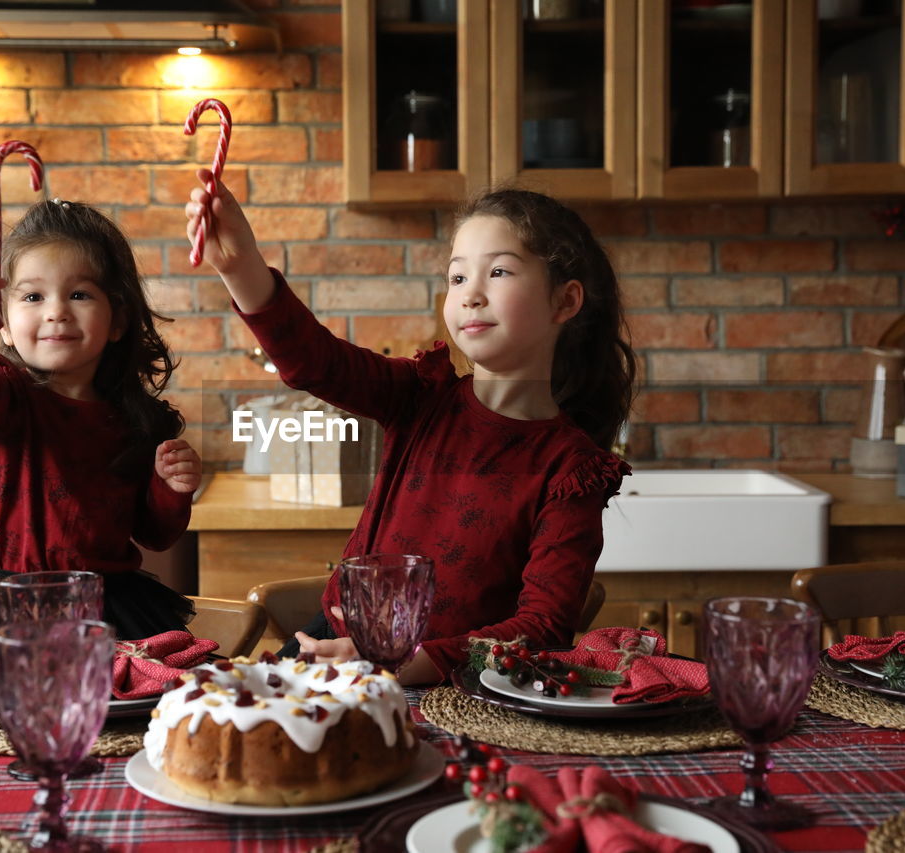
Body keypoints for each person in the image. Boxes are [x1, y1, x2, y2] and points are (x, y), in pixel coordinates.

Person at [186, 175, 634, 684]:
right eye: (458, 278)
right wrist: (239, 263)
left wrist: (397, 664)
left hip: (450, 685)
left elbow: (542, 628)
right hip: (329, 653)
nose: (472, 296)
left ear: (565, 302)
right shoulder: (419, 395)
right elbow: (315, 361)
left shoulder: (572, 469)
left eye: (500, 272)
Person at [0, 199, 201, 686]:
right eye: (32, 298)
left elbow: (154, 532)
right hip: (8, 609)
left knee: (112, 728)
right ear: (0, 318)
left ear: (119, 320)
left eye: (80, 294)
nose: (56, 313)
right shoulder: (2, 397)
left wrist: (171, 489)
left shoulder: (136, 422)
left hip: (110, 612)